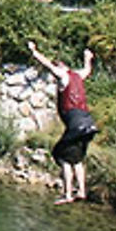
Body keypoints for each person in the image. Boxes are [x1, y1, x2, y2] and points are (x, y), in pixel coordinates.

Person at [27, 41, 98, 205]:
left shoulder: (63, 75)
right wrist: (88, 57)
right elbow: (88, 69)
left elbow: (47, 65)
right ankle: (81, 191)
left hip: (76, 123)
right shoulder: (78, 75)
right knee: (77, 159)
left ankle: (67, 194)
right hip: (89, 123)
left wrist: (34, 52)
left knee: (62, 156)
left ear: (60, 67)